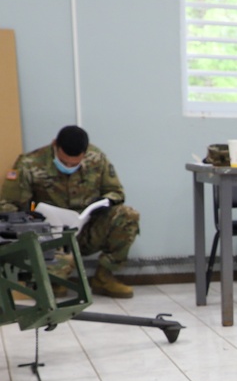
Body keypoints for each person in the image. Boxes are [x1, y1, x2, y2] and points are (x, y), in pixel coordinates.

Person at [1, 125, 140, 297]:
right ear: (55, 145)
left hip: (84, 229)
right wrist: (31, 216)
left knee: (128, 216)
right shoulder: (29, 163)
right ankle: (54, 281)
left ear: (85, 152)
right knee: (56, 281)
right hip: (48, 235)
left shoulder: (97, 158)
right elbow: (8, 205)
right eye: (64, 162)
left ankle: (104, 278)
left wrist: (106, 201)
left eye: (75, 164)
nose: (69, 166)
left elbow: (117, 192)